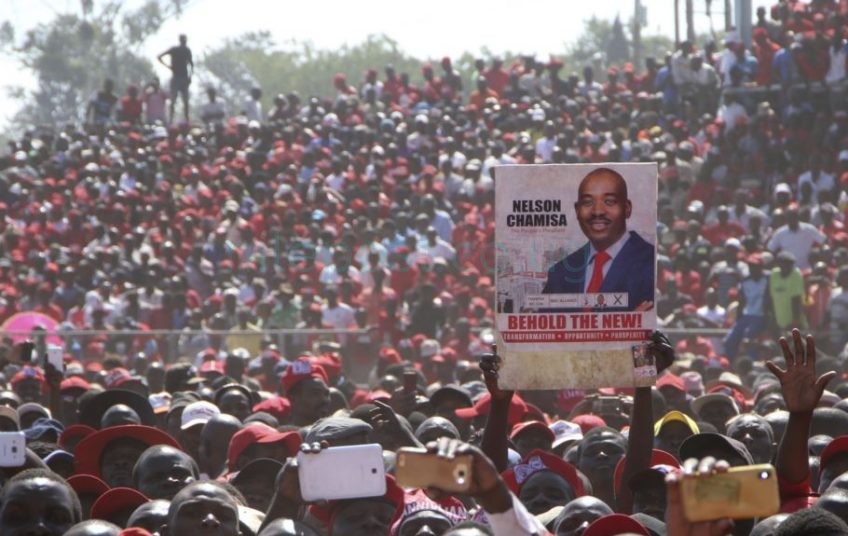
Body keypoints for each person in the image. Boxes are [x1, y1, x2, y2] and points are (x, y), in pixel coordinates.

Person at [542, 167, 655, 312]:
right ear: (577, 210)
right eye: (587, 202)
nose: (597, 211)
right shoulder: (560, 272)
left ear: (627, 208)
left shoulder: (652, 263)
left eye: (609, 201)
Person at [157, 34, 194, 123]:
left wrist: (190, 76)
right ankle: (171, 120)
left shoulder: (187, 50)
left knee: (185, 101)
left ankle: (187, 120)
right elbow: (159, 57)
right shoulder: (175, 49)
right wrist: (168, 66)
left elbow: (191, 64)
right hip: (176, 77)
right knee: (173, 100)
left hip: (184, 77)